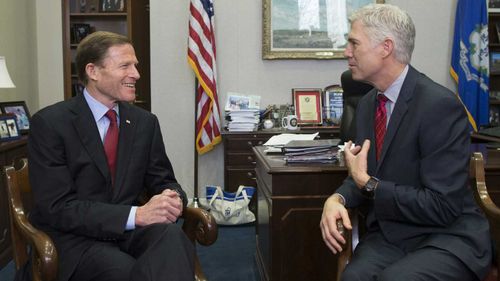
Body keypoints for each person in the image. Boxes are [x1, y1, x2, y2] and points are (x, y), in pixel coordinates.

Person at [320, 4, 492, 281]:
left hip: (446, 238)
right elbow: (362, 174)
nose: (346, 52)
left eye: (353, 43)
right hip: (393, 236)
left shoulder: (439, 106)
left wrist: (369, 184)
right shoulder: (367, 105)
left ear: (385, 48)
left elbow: (442, 206)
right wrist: (336, 198)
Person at [25, 31, 194, 281]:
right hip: (77, 240)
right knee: (124, 272)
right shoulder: (50, 124)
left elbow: (163, 179)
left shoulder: (144, 122)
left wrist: (173, 198)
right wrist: (136, 215)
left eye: (135, 65)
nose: (136, 74)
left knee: (171, 237)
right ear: (92, 71)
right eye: (125, 65)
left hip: (131, 233)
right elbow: (58, 208)